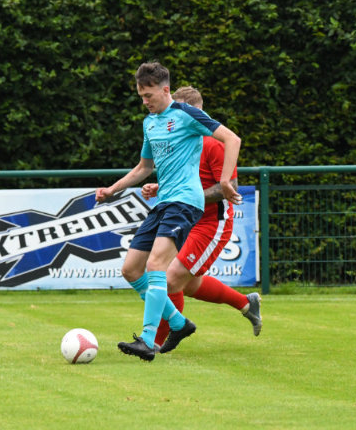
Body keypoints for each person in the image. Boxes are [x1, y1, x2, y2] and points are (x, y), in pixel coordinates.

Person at [95, 62, 242, 362]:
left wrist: (225, 180)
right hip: (163, 203)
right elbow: (144, 167)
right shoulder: (149, 123)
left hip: (186, 202)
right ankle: (178, 322)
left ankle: (148, 340)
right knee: (131, 269)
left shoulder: (186, 114)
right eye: (141, 96)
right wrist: (113, 189)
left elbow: (232, 139)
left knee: (156, 265)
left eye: (148, 95)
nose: (144, 101)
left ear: (165, 90)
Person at [139, 86, 262, 348]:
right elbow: (186, 180)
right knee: (189, 284)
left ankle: (155, 344)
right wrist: (160, 188)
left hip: (211, 223)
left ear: (194, 111)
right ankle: (245, 303)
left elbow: (229, 187)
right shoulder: (184, 141)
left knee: (171, 278)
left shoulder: (215, 143)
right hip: (186, 219)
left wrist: (187, 197)